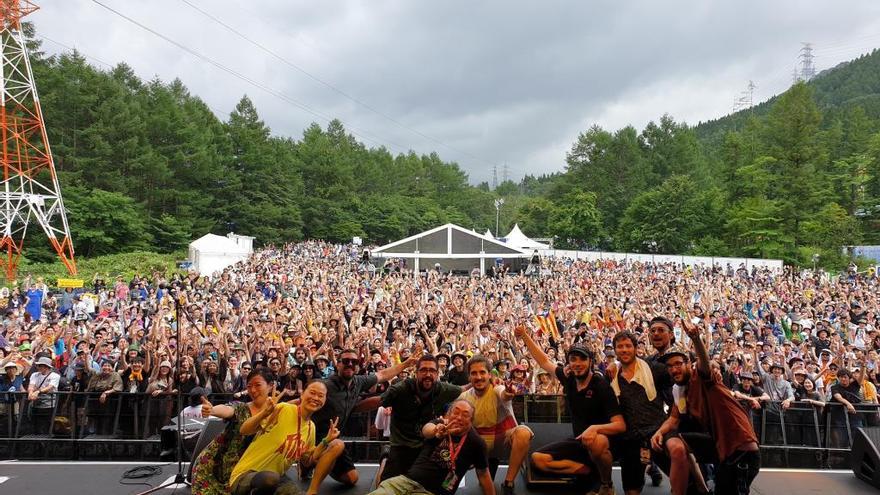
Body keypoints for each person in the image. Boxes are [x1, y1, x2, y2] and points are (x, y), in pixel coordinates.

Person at [651, 317, 760, 495]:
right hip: (723, 452)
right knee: (677, 442)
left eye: (678, 364)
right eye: (669, 366)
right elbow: (673, 418)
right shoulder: (680, 390)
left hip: (742, 452)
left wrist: (696, 339)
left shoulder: (701, 378)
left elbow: (704, 363)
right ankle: (701, 488)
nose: (673, 369)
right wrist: (659, 432)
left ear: (688, 364)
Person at [516, 325, 624, 495]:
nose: (577, 364)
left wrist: (595, 429)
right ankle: (587, 471)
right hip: (580, 441)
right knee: (538, 459)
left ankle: (606, 484)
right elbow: (543, 361)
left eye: (582, 359)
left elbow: (620, 425)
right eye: (573, 359)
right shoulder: (569, 378)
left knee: (596, 443)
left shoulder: (601, 386)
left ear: (591, 362)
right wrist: (524, 336)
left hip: (603, 442)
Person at [307, 347, 418, 489]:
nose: (350, 364)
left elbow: (383, 374)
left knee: (351, 478)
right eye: (345, 361)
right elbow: (301, 401)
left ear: (358, 365)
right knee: (337, 445)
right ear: (337, 364)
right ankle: (310, 473)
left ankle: (320, 463)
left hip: (333, 437)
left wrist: (406, 363)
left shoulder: (358, 382)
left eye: (354, 361)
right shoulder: (326, 386)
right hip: (314, 439)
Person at [229, 380, 342, 495]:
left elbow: (307, 460)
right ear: (302, 394)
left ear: (324, 400)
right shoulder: (284, 409)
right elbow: (244, 430)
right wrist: (264, 413)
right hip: (246, 476)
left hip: (277, 479)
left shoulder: (310, 427)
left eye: (321, 396)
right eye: (312, 393)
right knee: (269, 479)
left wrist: (326, 441)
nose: (316, 398)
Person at [368, 399, 496, 495]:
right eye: (455, 413)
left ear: (471, 420)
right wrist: (436, 430)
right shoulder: (440, 424)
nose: (459, 418)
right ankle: (385, 459)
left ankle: (385, 459)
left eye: (465, 415)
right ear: (448, 415)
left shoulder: (477, 443)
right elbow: (426, 430)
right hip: (407, 481)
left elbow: (484, 475)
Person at [379, 354, 463, 482]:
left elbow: (463, 389)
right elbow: (377, 401)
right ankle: (386, 458)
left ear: (437, 373)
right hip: (402, 444)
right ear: (416, 373)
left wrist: (485, 382)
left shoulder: (441, 388)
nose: (428, 374)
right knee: (386, 484)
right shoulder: (401, 389)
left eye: (432, 371)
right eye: (423, 370)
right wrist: (350, 406)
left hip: (426, 444)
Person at [458, 355, 532, 495]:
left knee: (523, 433)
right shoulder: (464, 397)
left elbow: (505, 394)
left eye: (482, 372)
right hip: (481, 448)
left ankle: (508, 483)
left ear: (489, 374)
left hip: (502, 441)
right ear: (469, 377)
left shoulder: (497, 388)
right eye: (474, 373)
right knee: (484, 485)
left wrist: (509, 393)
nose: (478, 377)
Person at [608, 331, 671, 495]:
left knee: (684, 480)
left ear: (636, 348)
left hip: (657, 433)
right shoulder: (612, 375)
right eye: (620, 347)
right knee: (631, 491)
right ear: (615, 351)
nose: (624, 350)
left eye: (628, 346)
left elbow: (680, 376)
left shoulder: (654, 369)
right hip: (630, 439)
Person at [27, 356, 60, 434]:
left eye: (41, 365)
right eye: (39, 365)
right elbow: (31, 385)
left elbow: (50, 387)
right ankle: (37, 440)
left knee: (47, 423)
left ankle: (48, 440)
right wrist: (30, 392)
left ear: (47, 367)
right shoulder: (35, 375)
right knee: (36, 423)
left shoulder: (55, 376)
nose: (39, 367)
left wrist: (38, 392)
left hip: (49, 403)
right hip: (36, 402)